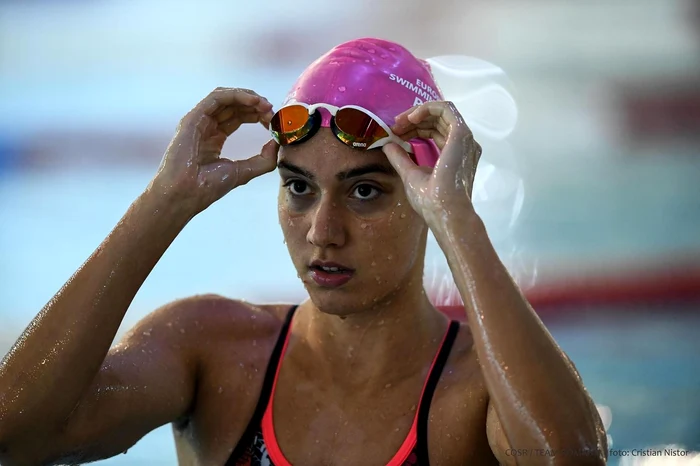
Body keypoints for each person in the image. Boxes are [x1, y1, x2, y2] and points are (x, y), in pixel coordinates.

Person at [0, 38, 607, 466]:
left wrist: (460, 222)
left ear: (426, 197)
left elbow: (569, 459)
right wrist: (164, 202)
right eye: (298, 188)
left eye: (364, 191)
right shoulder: (210, 352)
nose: (322, 231)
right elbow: (17, 436)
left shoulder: (478, 391)